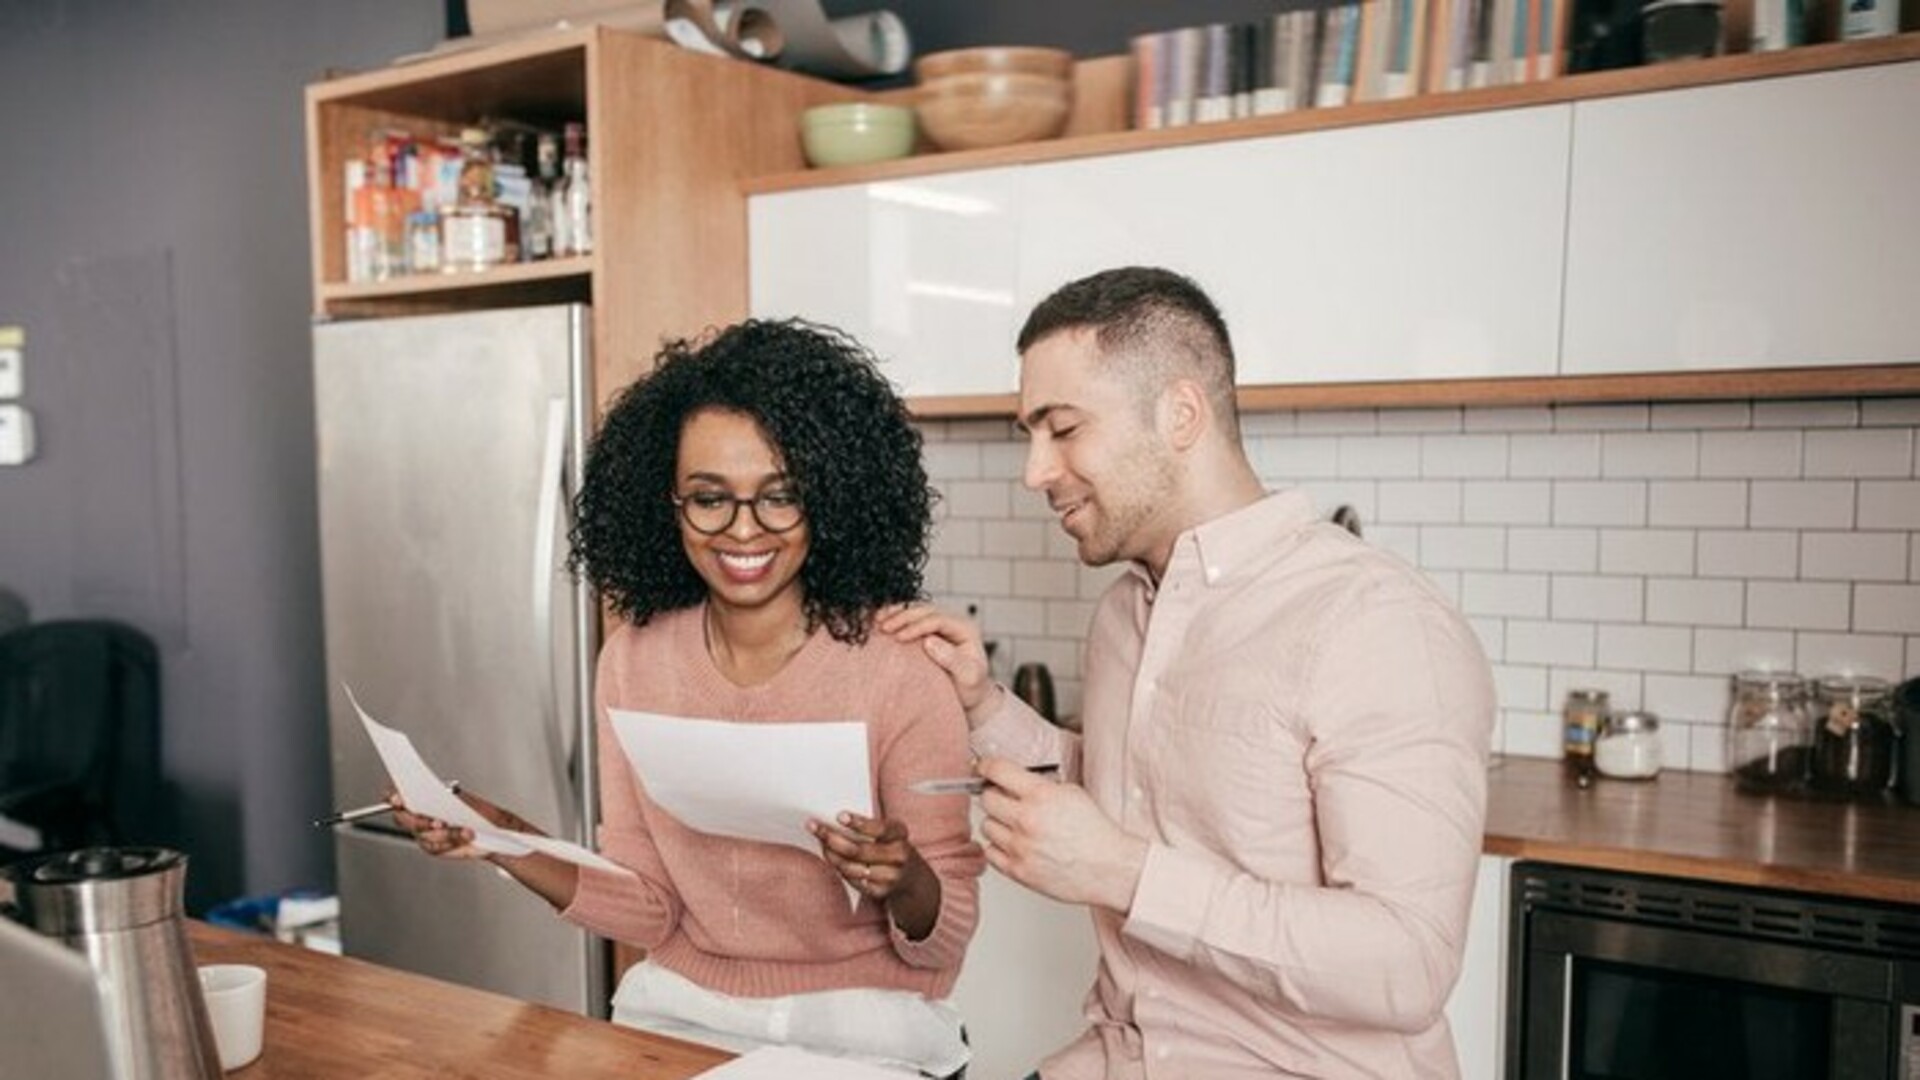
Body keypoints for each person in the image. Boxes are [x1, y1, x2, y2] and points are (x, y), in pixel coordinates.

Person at [882, 267, 1496, 1079]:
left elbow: (1407, 963)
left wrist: (1123, 873)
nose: (1034, 471)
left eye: (1061, 429)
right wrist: (984, 703)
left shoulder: (1375, 622)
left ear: (1181, 415)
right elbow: (1131, 789)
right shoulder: (1125, 614)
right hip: (1124, 1057)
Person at [394, 319, 984, 1078]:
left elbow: (943, 937)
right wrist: (504, 838)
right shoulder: (634, 663)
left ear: (830, 499)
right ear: (667, 504)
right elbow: (649, 908)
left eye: (781, 498)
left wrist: (903, 879)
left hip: (865, 1032)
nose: (744, 530)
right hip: (679, 1017)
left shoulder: (900, 672)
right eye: (710, 498)